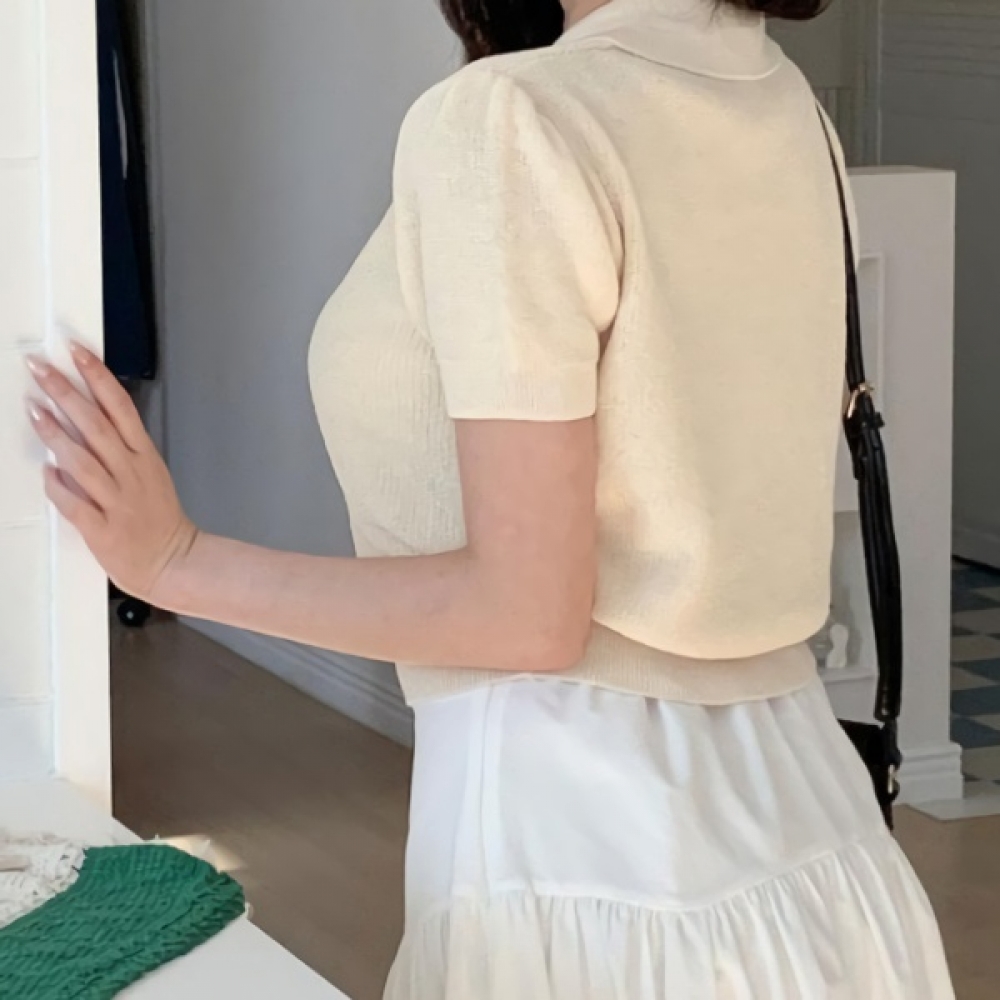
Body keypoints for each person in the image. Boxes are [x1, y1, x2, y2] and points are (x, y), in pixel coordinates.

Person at [26, 0, 956, 996]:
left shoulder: (514, 115)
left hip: (580, 846)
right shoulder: (782, 101)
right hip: (820, 841)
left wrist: (177, 564)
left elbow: (525, 614)